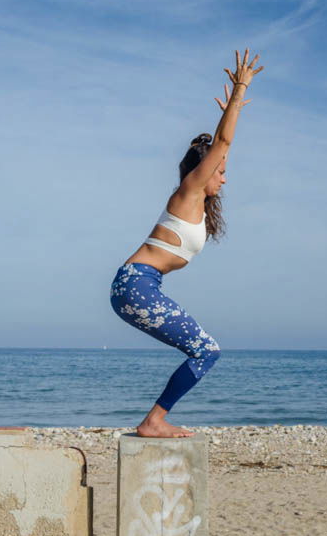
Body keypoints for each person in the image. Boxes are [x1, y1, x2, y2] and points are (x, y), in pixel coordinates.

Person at [110, 48, 264, 437]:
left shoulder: (196, 204)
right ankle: (154, 421)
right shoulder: (189, 190)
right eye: (221, 172)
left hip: (139, 285)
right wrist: (238, 93)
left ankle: (154, 419)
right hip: (136, 285)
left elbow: (222, 149)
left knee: (204, 349)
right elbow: (224, 141)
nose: (224, 179)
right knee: (206, 350)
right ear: (203, 169)